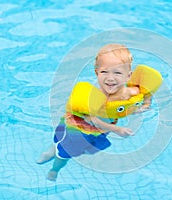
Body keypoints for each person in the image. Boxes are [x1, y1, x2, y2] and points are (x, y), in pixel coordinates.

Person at [36, 44, 158, 181]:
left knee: (75, 148)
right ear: (96, 73)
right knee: (65, 152)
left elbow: (145, 92)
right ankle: (55, 168)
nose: (110, 78)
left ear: (128, 76)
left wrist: (145, 105)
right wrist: (117, 129)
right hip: (77, 128)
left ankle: (53, 150)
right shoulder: (98, 98)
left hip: (99, 131)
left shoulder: (132, 92)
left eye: (117, 73)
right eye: (104, 72)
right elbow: (91, 118)